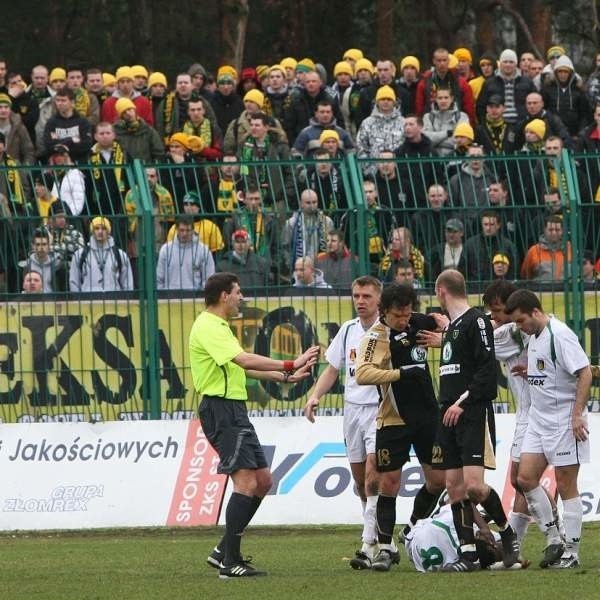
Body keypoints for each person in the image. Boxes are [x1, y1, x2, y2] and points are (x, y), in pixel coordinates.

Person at [192, 272, 319, 578]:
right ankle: (230, 563)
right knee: (246, 482)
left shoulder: (218, 326)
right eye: (238, 292)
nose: (242, 297)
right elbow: (245, 361)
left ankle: (224, 550)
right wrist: (290, 363)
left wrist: (285, 377)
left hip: (233, 409)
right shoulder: (209, 325)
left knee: (262, 480)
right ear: (224, 295)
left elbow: (240, 369)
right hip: (221, 410)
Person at [431, 269, 519, 571]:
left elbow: (486, 373)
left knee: (474, 486)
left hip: (470, 412)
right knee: (453, 486)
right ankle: (467, 555)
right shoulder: (453, 327)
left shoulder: (477, 320)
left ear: (441, 291)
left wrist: (461, 402)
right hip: (448, 414)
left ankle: (508, 534)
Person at [355, 283, 445, 571]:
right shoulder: (375, 338)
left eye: (407, 314)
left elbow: (448, 325)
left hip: (428, 416)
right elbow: (363, 373)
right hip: (393, 419)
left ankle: (410, 530)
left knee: (437, 482)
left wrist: (444, 328)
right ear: (384, 312)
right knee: (389, 483)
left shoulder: (417, 321)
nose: (405, 320)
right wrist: (402, 373)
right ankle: (383, 548)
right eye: (398, 316)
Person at [504, 289, 592, 569]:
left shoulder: (561, 335)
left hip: (564, 422)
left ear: (535, 312)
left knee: (566, 485)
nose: (519, 328)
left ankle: (572, 552)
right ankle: (554, 536)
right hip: (539, 421)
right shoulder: (534, 337)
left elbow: (585, 372)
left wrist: (577, 415)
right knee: (525, 478)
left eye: (521, 321)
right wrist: (531, 373)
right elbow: (553, 371)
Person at [303, 275, 383, 570]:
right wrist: (314, 396)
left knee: (374, 476)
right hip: (351, 412)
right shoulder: (348, 331)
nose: (360, 301)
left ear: (378, 300)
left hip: (379, 409)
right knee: (361, 482)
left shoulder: (385, 331)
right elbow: (332, 370)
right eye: (356, 296)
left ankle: (367, 543)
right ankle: (381, 536)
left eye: (366, 297)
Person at [69, 216, 133, 292]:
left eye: (104, 228)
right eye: (96, 228)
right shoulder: (79, 255)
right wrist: (79, 301)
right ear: (92, 231)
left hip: (114, 301)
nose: (100, 231)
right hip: (88, 301)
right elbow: (74, 282)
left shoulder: (120, 255)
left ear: (108, 231)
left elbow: (127, 283)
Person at [156, 216, 215, 290]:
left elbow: (209, 279)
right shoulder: (165, 250)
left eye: (188, 230)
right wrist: (163, 296)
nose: (184, 233)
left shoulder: (203, 251)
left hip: (195, 298)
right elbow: (159, 278)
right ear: (176, 229)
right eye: (181, 230)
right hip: (169, 297)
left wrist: (200, 296)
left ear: (193, 230)